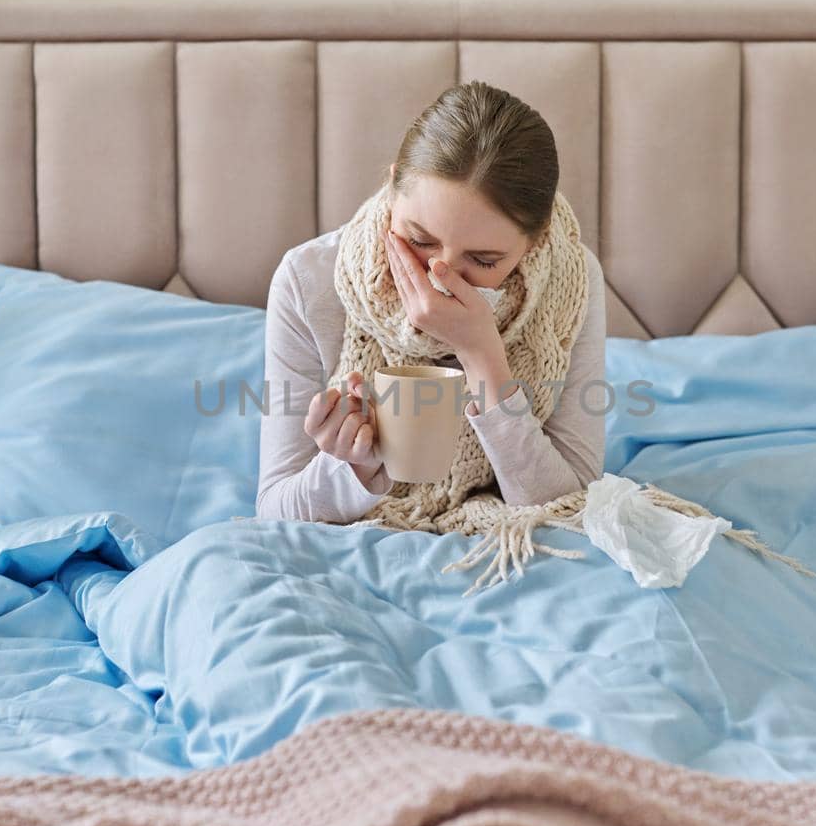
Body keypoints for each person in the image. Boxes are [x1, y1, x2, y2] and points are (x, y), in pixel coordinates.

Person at [255, 80, 606, 527]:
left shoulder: (572, 281)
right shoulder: (308, 280)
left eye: (483, 260)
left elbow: (571, 505)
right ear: (392, 184)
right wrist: (352, 468)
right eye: (420, 240)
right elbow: (273, 510)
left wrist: (482, 356)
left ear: (533, 244)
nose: (439, 276)